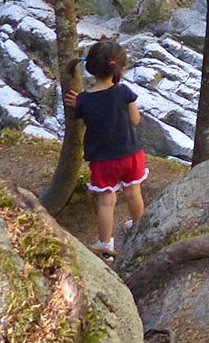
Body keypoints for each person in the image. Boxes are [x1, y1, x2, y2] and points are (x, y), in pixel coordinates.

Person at [62, 40, 146, 257]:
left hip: (103, 160)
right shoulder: (123, 92)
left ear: (90, 68)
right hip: (131, 153)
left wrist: (78, 101)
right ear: (119, 68)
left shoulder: (84, 100)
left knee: (107, 202)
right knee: (133, 193)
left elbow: (79, 111)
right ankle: (140, 229)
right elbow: (135, 120)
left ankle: (106, 245)